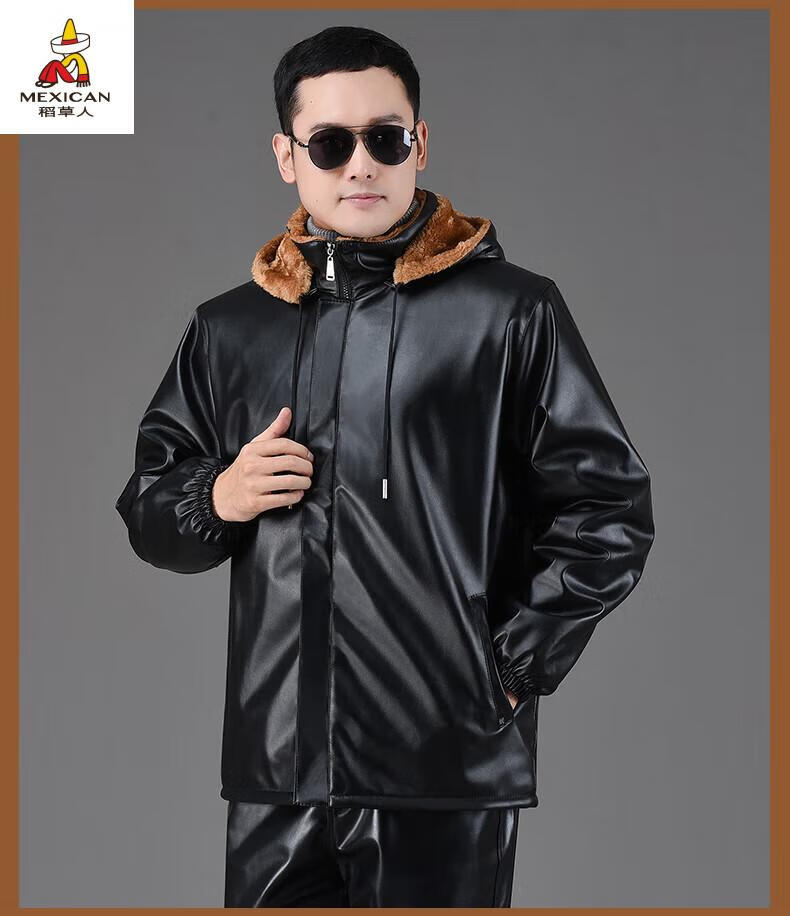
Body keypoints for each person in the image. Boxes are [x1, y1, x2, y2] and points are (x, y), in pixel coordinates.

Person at [115, 25, 655, 908]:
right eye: (330, 143)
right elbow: (148, 510)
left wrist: (513, 668)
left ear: (420, 143)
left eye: (385, 138)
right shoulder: (231, 328)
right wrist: (219, 495)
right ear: (287, 156)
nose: (360, 164)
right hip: (276, 773)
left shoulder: (509, 314)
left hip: (444, 765)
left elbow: (610, 507)